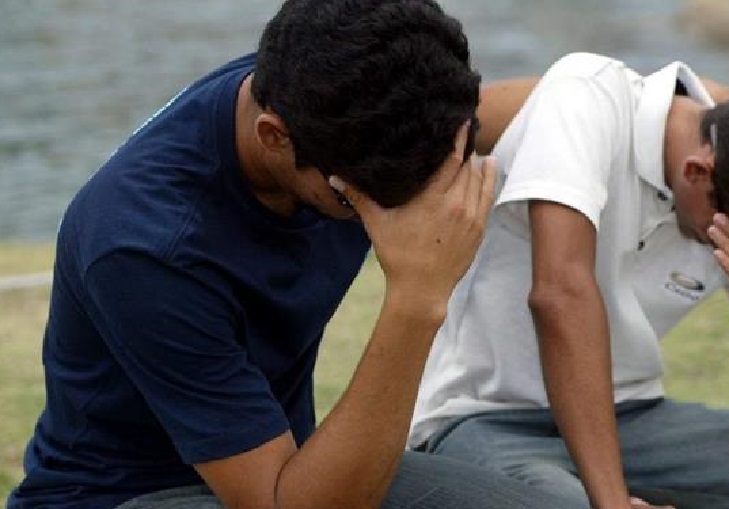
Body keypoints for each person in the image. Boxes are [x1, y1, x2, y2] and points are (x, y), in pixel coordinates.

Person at [5, 2, 599, 509]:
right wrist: (417, 298)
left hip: (284, 467)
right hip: (134, 495)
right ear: (274, 136)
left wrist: (641, 101)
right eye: (366, 200)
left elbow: (545, 103)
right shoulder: (147, 248)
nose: (401, 211)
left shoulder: (342, 95)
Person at [409, 51, 729, 509]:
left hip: (635, 419)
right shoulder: (586, 95)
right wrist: (611, 501)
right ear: (698, 172)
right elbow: (560, 293)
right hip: (483, 418)